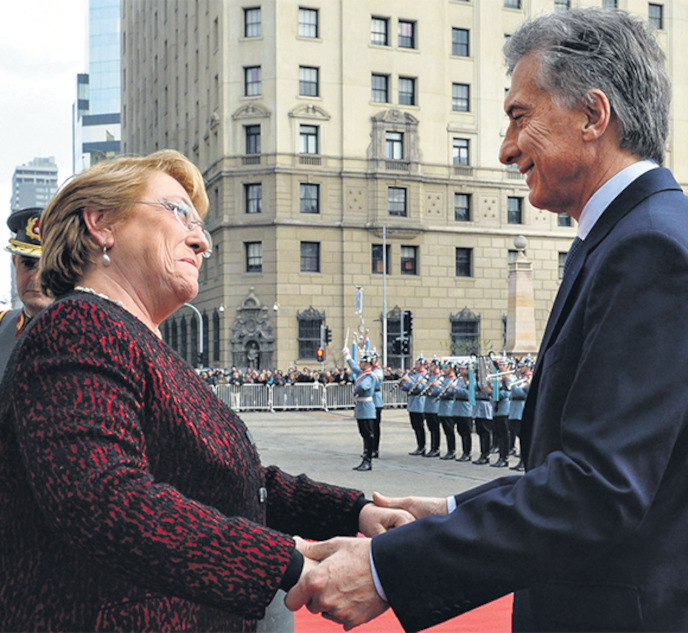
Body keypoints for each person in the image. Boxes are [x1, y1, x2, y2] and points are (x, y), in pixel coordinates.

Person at [287, 8, 688, 633]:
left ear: (593, 115)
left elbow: (598, 489)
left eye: (520, 116)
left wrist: (386, 569)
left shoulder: (650, 249)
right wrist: (449, 510)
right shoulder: (647, 233)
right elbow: (595, 466)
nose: (506, 148)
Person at [0, 150, 412, 631]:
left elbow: (232, 481)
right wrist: (290, 562)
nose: (202, 241)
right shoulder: (79, 326)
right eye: (179, 213)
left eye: (201, 226)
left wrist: (355, 510)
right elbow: (106, 501)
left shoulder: (134, 339)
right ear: (101, 224)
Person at [0, 207, 53, 373]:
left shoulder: (85, 334)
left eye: (47, 267)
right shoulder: (2, 325)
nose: (36, 278)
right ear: (15, 263)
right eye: (28, 264)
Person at [344, 348, 379, 472]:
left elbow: (363, 386)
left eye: (362, 362)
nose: (360, 364)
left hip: (367, 408)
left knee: (368, 435)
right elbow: (353, 366)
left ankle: (368, 460)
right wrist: (347, 355)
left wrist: (355, 387)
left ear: (368, 364)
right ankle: (365, 458)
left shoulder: (370, 376)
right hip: (361, 407)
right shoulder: (362, 374)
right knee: (363, 434)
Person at [400, 356, 429, 455]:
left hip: (419, 403)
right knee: (415, 426)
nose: (415, 365)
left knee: (420, 426)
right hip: (412, 403)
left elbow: (419, 388)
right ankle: (419, 445)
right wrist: (402, 384)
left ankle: (422, 446)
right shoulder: (415, 375)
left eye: (417, 363)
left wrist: (408, 380)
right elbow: (408, 387)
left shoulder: (425, 375)